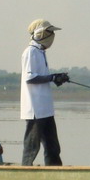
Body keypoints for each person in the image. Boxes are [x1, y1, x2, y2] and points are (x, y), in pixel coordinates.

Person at [20, 19, 70, 166]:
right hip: (35, 108)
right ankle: (25, 171)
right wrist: (52, 77)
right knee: (32, 145)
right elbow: (30, 77)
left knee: (52, 145)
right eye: (50, 32)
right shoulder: (30, 52)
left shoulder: (40, 52)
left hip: (46, 108)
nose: (52, 35)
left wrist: (56, 78)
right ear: (40, 33)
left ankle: (54, 170)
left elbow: (42, 76)